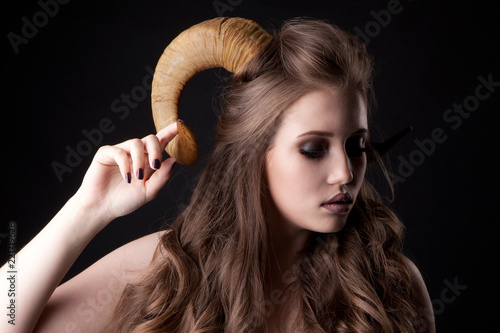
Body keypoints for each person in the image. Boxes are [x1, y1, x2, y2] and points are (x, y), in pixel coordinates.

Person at [1, 17, 435, 332]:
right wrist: (86, 211)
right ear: (253, 154)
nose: (345, 172)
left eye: (356, 146)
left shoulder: (390, 284)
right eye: (313, 149)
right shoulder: (170, 268)